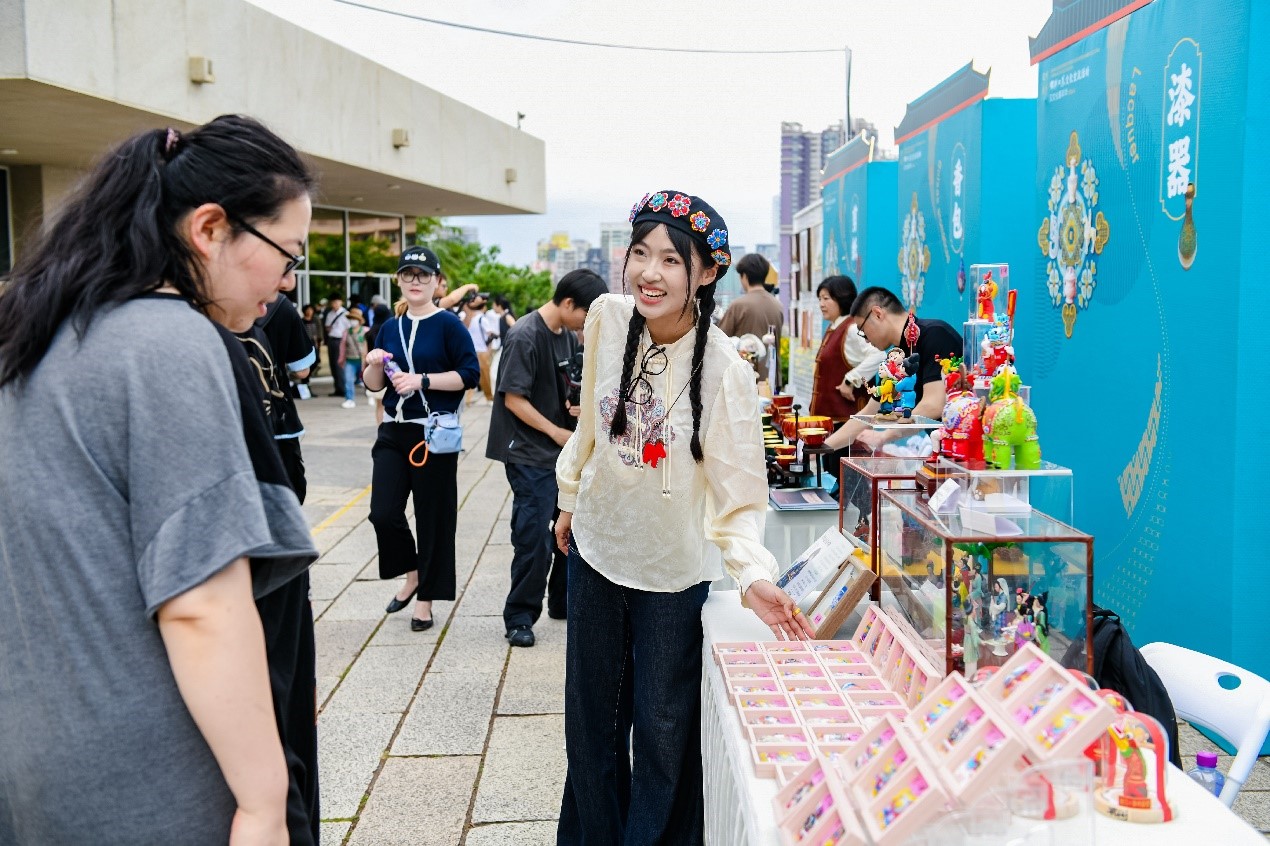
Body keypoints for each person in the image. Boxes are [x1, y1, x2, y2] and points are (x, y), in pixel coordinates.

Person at [0, 115, 318, 843]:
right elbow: (202, 606)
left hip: (37, 769)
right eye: (286, 253)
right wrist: (265, 803)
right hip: (152, 778)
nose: (288, 281)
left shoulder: (35, 336)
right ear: (210, 228)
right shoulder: (172, 344)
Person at [553, 190, 814, 843]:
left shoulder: (724, 370)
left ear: (706, 272)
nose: (649, 272)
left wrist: (751, 573)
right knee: (590, 725)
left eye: (671, 259)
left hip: (671, 575)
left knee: (664, 733)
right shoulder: (608, 318)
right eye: (640, 253)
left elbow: (737, 494)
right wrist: (569, 496)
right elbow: (590, 426)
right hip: (596, 551)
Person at [487, 269, 607, 648]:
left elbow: (566, 388)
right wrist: (556, 431)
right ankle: (519, 617)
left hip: (560, 453)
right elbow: (513, 398)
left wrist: (575, 410)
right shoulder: (525, 335)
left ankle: (561, 601)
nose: (586, 325)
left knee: (569, 529)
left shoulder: (566, 337)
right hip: (527, 452)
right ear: (568, 303)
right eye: (586, 315)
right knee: (534, 536)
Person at [363, 246, 479, 632]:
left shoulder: (448, 325)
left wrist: (422, 381)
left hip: (434, 433)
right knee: (383, 512)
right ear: (398, 280)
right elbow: (375, 385)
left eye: (423, 275)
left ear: (437, 281)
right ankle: (411, 573)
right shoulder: (389, 327)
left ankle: (425, 599)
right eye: (408, 274)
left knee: (433, 519)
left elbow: (469, 374)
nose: (415, 281)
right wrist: (373, 364)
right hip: (393, 430)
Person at [822, 286, 963, 454]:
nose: (866, 340)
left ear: (877, 314)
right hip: (944, 451)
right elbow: (868, 413)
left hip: (966, 449)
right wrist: (820, 449)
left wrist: (884, 435)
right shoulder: (895, 360)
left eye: (863, 331)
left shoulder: (935, 335)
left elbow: (933, 404)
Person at [811, 275, 884, 422]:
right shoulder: (834, 327)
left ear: (842, 298)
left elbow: (879, 355)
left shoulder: (852, 329)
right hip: (831, 420)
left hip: (846, 420)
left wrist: (850, 380)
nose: (821, 304)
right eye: (819, 299)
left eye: (826, 298)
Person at [718, 252, 785, 383]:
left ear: (744, 276)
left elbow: (720, 340)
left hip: (745, 380)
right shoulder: (778, 306)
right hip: (772, 379)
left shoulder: (738, 305)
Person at [461, 292, 495, 402]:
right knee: (482, 375)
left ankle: (481, 398)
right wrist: (489, 350)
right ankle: (487, 397)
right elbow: (490, 335)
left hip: (476, 351)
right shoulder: (480, 318)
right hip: (479, 351)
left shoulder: (473, 318)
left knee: (478, 375)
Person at [488, 294, 517, 392]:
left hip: (505, 348)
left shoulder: (507, 316)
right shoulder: (503, 317)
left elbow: (516, 330)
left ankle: (497, 395)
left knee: (494, 372)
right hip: (504, 347)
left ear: (499, 305)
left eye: (493, 304)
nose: (492, 307)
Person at [324, 293, 351, 397]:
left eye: (336, 302)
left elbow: (349, 329)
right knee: (332, 365)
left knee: (339, 365)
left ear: (341, 302)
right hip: (331, 340)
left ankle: (343, 389)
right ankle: (337, 388)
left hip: (341, 341)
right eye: (333, 302)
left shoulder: (346, 314)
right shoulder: (330, 314)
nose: (334, 304)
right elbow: (327, 327)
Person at [340, 309, 367, 409]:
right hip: (350, 360)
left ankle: (370, 395)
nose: (352, 321)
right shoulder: (346, 332)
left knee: (367, 379)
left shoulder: (366, 331)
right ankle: (349, 399)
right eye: (351, 319)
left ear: (359, 320)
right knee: (348, 380)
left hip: (363, 360)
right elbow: (342, 347)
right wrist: (341, 359)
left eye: (354, 319)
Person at [300, 302, 324, 391]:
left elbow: (319, 332)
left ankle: (307, 376)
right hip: (304, 344)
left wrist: (319, 341)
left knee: (316, 361)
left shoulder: (316, 320)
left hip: (314, 343)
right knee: (306, 362)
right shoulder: (301, 321)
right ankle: (305, 380)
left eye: (311, 310)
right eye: (308, 310)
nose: (309, 312)